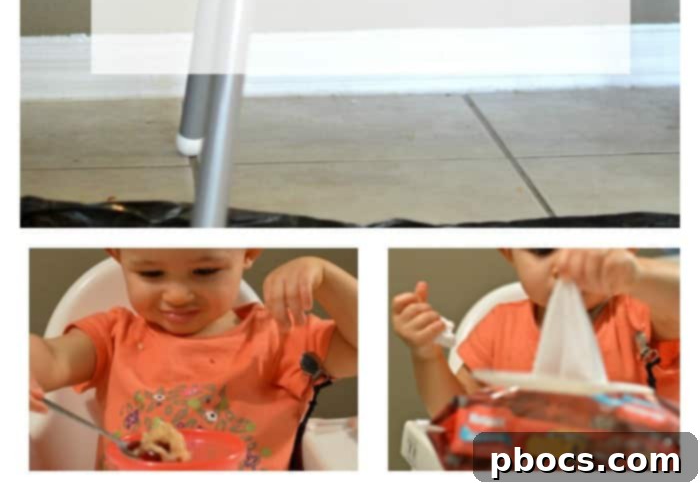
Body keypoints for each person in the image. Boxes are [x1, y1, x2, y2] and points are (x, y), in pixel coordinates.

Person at [30, 249, 358, 470]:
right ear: (117, 253)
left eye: (204, 271)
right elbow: (52, 358)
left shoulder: (281, 337)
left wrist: (326, 277)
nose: (177, 295)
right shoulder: (114, 335)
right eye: (152, 273)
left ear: (248, 252)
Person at [392, 248, 679, 418]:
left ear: (628, 246)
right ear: (508, 251)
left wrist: (636, 275)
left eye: (590, 252)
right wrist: (426, 354)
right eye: (543, 249)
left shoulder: (641, 313)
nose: (565, 266)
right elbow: (454, 415)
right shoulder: (499, 325)